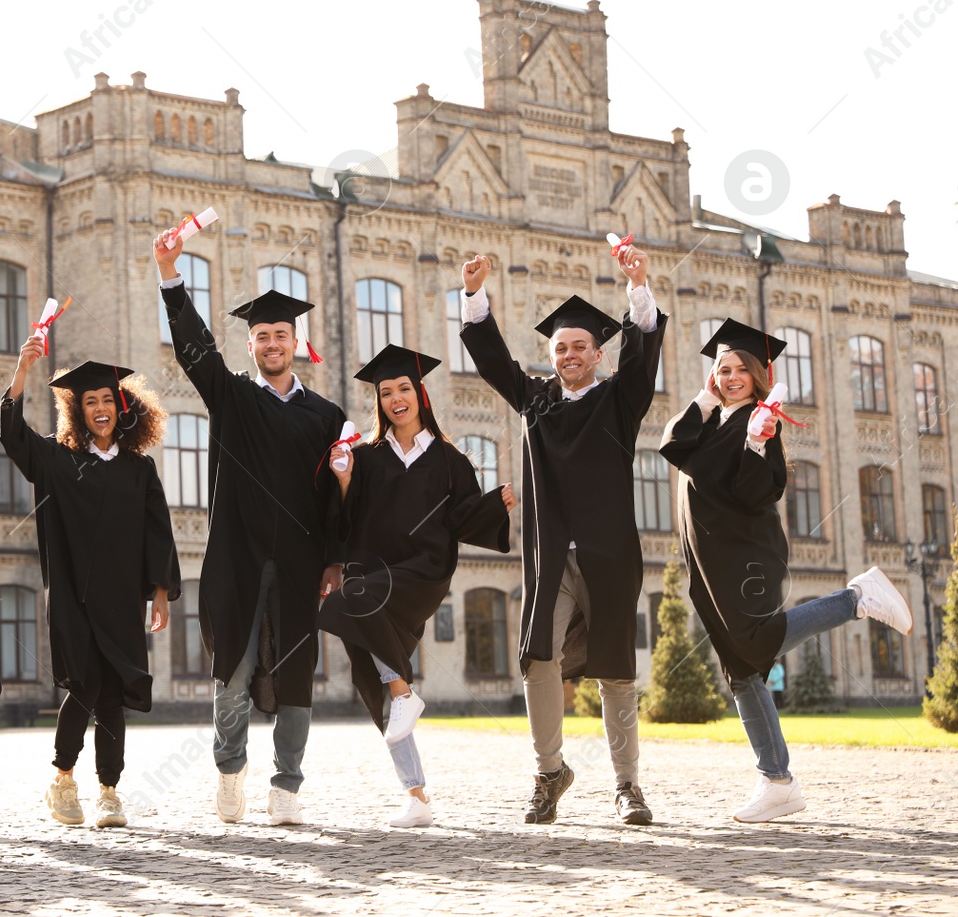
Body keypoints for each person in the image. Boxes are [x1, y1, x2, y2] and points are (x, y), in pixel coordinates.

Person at [659, 317, 914, 823]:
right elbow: (672, 444)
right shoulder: (714, 420)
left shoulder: (761, 420)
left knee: (753, 645)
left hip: (744, 557)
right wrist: (708, 400)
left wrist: (756, 441)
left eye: (740, 370)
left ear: (758, 375)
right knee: (742, 671)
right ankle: (778, 783)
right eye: (722, 369)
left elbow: (759, 491)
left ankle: (855, 598)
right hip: (711, 561)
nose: (730, 377)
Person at [458, 247, 665, 826]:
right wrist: (475, 295)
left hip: (611, 554)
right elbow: (493, 361)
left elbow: (645, 355)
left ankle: (627, 786)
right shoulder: (536, 400)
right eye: (561, 348)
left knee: (617, 669)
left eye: (580, 347)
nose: (570, 355)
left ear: (598, 354)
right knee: (537, 656)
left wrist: (638, 286)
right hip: (550, 557)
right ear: (551, 355)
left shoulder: (621, 401)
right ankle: (550, 772)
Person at [154, 229, 347, 825]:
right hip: (236, 558)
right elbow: (194, 351)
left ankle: (286, 785)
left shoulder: (326, 416)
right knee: (232, 669)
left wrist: (336, 559)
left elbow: (336, 498)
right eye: (261, 335)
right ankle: (230, 774)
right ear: (251, 345)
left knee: (295, 672)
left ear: (295, 342)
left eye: (280, 335)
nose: (271, 342)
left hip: (299, 560)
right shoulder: (233, 398)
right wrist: (170, 277)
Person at [320, 344, 515, 828]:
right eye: (385, 392)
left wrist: (498, 503)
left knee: (351, 608)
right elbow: (344, 517)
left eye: (403, 388)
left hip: (424, 571)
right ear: (379, 402)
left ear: (419, 394)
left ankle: (407, 698)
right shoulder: (365, 457)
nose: (394, 398)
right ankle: (417, 796)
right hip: (371, 571)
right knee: (382, 678)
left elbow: (465, 517)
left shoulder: (449, 460)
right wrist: (343, 482)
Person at [0, 341, 182, 829]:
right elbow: (11, 434)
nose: (99, 409)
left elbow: (157, 530)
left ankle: (109, 792)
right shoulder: (57, 460)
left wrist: (160, 591)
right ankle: (62, 778)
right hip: (74, 596)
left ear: (122, 406)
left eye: (106, 399)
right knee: (85, 686)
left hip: (120, 599)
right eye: (89, 402)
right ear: (77, 411)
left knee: (113, 693)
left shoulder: (139, 469)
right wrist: (22, 369)